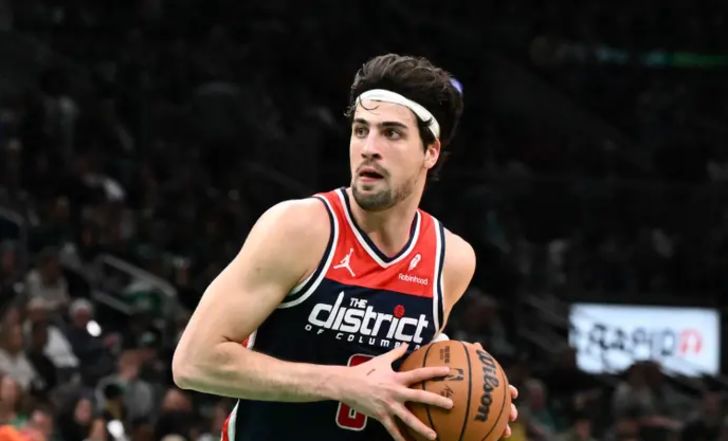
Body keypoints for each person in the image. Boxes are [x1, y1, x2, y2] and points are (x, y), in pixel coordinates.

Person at [172, 53, 518, 441]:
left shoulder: (451, 260)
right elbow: (193, 363)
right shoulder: (300, 228)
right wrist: (343, 383)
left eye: (391, 133)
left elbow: (397, 375)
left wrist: (470, 399)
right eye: (360, 130)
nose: (369, 147)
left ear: (430, 151)